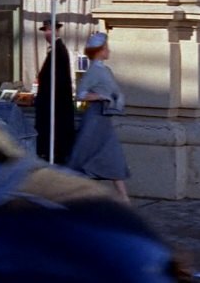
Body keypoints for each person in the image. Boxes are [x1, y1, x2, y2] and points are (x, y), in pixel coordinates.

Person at [68, 32, 130, 203]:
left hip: (103, 118)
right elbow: (80, 94)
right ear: (99, 51)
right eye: (106, 48)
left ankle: (122, 196)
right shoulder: (94, 70)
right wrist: (100, 97)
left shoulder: (104, 69)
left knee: (110, 154)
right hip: (95, 118)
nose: (108, 51)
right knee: (85, 154)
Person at [34, 19, 75, 164]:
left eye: (49, 30)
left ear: (56, 31)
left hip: (55, 108)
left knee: (54, 144)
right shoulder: (55, 50)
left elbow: (58, 81)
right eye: (45, 30)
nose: (46, 33)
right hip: (51, 106)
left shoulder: (58, 50)